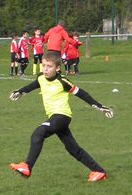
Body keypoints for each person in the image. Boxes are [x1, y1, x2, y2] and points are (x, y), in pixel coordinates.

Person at [8, 51, 113, 181]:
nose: (45, 69)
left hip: (62, 116)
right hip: (54, 117)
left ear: (57, 68)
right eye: (43, 65)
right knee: (72, 148)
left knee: (38, 133)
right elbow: (32, 86)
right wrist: (20, 92)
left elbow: (82, 94)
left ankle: (27, 166)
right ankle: (98, 171)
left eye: (49, 66)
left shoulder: (63, 82)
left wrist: (99, 107)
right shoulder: (41, 78)